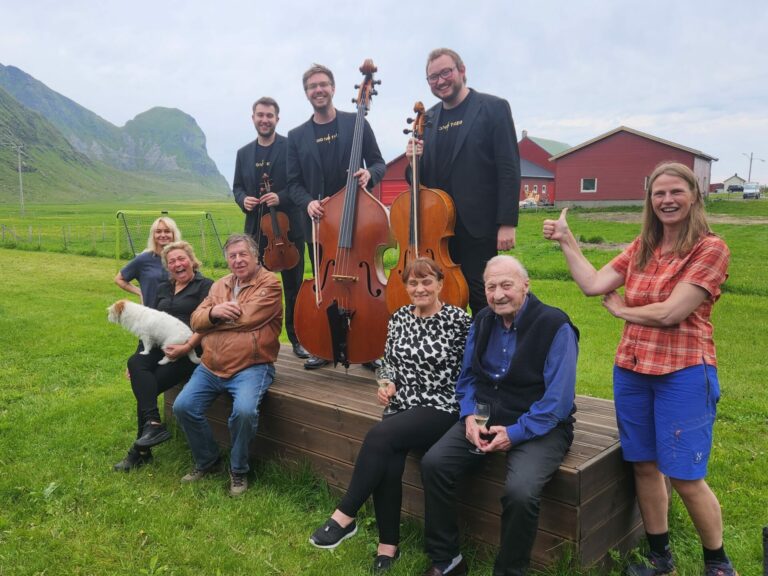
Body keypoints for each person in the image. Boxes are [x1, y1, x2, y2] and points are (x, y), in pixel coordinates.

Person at [542, 162, 737, 576]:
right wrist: (566, 240)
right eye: (659, 193)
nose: (667, 200)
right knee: (644, 464)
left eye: (675, 192)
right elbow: (595, 284)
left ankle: (718, 564)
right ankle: (660, 556)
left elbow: (671, 312)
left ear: (694, 195)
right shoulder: (643, 246)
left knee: (684, 475)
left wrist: (625, 311)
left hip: (683, 370)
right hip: (632, 368)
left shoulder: (710, 248)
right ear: (650, 200)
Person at [309, 258, 471, 573]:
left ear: (440, 284)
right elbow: (387, 362)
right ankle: (388, 546)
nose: (420, 288)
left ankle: (345, 516)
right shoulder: (399, 317)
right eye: (413, 283)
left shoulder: (457, 321)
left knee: (379, 437)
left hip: (441, 405)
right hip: (402, 404)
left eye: (427, 282)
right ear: (406, 287)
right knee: (388, 460)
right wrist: (385, 383)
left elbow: (471, 370)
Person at [420, 255, 579, 576]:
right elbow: (467, 379)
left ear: (526, 285)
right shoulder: (482, 320)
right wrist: (468, 417)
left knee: (520, 492)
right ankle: (446, 559)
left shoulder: (555, 325)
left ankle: (509, 571)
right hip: (485, 413)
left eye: (506, 285)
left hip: (540, 424)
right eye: (491, 287)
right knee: (434, 464)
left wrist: (516, 433)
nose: (498, 294)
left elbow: (557, 402)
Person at [406, 48, 521, 315]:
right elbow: (419, 184)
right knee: (443, 298)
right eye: (433, 77)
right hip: (438, 230)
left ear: (462, 70)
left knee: (485, 296)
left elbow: (509, 168)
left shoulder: (493, 108)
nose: (440, 81)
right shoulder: (429, 119)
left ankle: (489, 354)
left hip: (480, 226)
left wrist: (507, 223)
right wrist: (414, 162)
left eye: (445, 72)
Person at [287, 63, 386, 370]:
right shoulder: (297, 135)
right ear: (306, 93)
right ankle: (324, 346)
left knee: (361, 286)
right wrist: (307, 204)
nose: (318, 90)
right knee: (324, 287)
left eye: (323, 84)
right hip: (320, 226)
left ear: (332, 88)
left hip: (358, 220)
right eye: (312, 86)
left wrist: (369, 174)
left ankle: (367, 348)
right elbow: (292, 183)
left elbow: (380, 163)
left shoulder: (356, 123)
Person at [172, 234, 282, 497]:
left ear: (255, 256)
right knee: (183, 406)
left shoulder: (270, 283)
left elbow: (247, 319)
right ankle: (208, 460)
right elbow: (196, 320)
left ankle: (238, 469)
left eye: (243, 254)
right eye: (232, 256)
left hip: (252, 366)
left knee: (244, 412)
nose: (238, 260)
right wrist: (213, 313)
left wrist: (214, 317)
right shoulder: (219, 285)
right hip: (211, 365)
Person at [113, 241, 213, 472]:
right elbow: (148, 324)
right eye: (172, 262)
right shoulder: (162, 288)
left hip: (188, 350)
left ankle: (140, 451)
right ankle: (153, 425)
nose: (178, 264)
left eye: (181, 259)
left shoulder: (205, 286)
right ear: (168, 267)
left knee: (147, 385)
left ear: (191, 260)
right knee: (135, 363)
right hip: (159, 346)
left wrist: (185, 345)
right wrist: (141, 355)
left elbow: (208, 325)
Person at [233, 96, 309, 360]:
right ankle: (258, 337)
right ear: (253, 117)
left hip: (288, 230)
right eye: (260, 115)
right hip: (257, 232)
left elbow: (300, 183)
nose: (265, 120)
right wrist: (244, 199)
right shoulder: (243, 153)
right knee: (257, 287)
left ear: (277, 118)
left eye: (269, 116)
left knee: (293, 287)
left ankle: (298, 338)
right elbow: (237, 188)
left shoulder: (290, 147)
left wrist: (282, 197)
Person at [114, 216, 182, 309]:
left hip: (178, 314)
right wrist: (140, 292)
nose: (163, 235)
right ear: (153, 235)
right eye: (158, 231)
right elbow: (119, 279)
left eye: (167, 231)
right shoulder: (143, 259)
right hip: (151, 314)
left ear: (173, 234)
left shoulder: (181, 259)